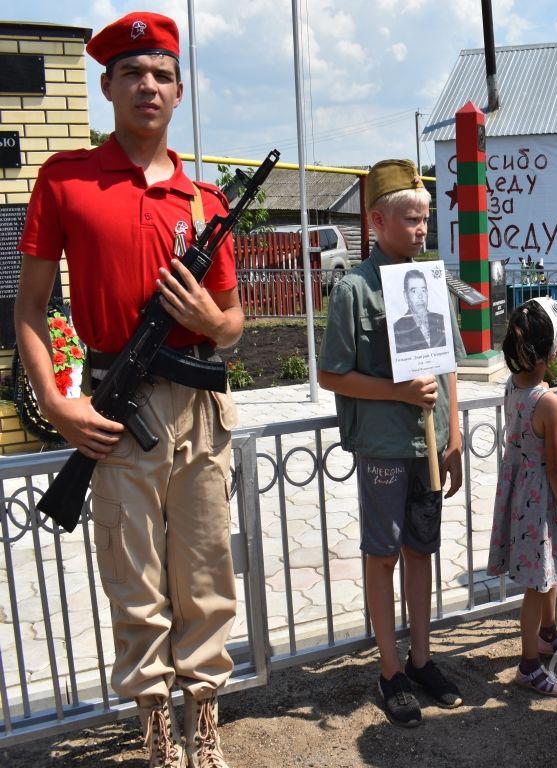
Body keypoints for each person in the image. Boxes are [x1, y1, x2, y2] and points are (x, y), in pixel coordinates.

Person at [16, 13, 242, 767]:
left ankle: (204, 722)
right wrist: (55, 400)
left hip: (200, 408)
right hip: (117, 401)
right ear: (107, 85)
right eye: (133, 73)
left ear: (179, 92)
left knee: (207, 568)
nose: (148, 85)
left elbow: (234, 324)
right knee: (135, 575)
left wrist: (213, 318)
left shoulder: (206, 202)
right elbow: (29, 308)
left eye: (162, 74)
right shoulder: (66, 178)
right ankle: (154, 726)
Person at [317, 159, 465, 728]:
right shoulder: (354, 290)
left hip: (427, 447)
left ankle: (422, 657)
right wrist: (395, 393)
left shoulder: (429, 280)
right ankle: (389, 669)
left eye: (426, 220)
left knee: (421, 551)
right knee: (383, 557)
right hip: (382, 447)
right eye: (410, 220)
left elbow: (446, 365)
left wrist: (452, 436)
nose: (421, 230)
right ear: (377, 221)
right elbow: (333, 374)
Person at [486, 297, 557, 697]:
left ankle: (548, 634)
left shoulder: (514, 384)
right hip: (539, 498)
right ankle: (528, 665)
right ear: (554, 348)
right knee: (536, 582)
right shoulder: (549, 402)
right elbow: (556, 466)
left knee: (546, 572)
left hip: (517, 489)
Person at [392, 268, 447, 352]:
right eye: (414, 291)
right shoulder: (398, 328)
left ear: (427, 293)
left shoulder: (441, 320)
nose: (420, 296)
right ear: (406, 296)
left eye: (423, 290)